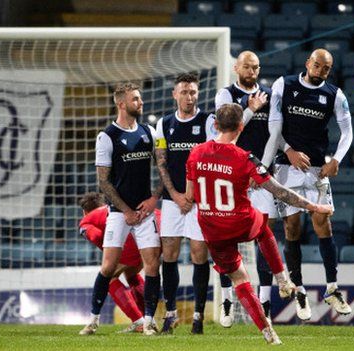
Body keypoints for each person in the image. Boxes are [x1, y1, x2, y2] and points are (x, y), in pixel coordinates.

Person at [185, 103, 333, 344]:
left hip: (212, 228)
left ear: (215, 125)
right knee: (263, 228)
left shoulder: (196, 153)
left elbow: (190, 193)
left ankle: (269, 333)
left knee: (240, 279)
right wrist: (314, 206)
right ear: (241, 127)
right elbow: (279, 191)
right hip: (241, 222)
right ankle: (283, 280)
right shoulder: (245, 158)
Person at [261, 49, 353, 320]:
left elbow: (347, 132)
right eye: (317, 65)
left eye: (326, 68)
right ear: (307, 64)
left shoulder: (335, 95)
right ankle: (299, 290)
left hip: (316, 170)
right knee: (292, 227)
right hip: (287, 166)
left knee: (323, 221)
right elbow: (273, 126)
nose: (321, 71)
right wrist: (288, 150)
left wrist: (336, 159)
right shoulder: (284, 84)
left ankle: (332, 288)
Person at [80, 82, 163, 336]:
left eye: (140, 98)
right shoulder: (107, 136)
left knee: (152, 265)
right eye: (135, 99)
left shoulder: (150, 132)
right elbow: (103, 181)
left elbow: (163, 169)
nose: (141, 102)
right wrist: (126, 210)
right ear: (121, 103)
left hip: (145, 211)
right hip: (119, 212)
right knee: (108, 267)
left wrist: (154, 199)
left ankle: (148, 321)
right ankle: (93, 320)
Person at [214, 50, 276, 325]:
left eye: (257, 67)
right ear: (237, 67)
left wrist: (261, 168)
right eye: (248, 67)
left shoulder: (269, 95)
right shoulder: (225, 95)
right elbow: (230, 131)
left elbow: (276, 133)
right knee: (227, 239)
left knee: (264, 235)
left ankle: (265, 302)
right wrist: (251, 109)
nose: (253, 72)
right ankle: (227, 299)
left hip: (259, 175)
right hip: (230, 174)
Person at [155, 73, 215, 334]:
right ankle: (170, 315)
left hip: (200, 201)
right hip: (172, 201)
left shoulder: (208, 121)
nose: (189, 97)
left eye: (193, 92)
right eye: (184, 92)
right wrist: (176, 195)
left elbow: (212, 160)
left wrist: (191, 196)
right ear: (174, 94)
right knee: (168, 255)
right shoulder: (163, 124)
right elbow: (161, 163)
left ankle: (199, 317)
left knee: (199, 254)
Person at [78, 192, 161, 333]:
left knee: (109, 276)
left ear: (84, 212)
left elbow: (96, 235)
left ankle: (138, 321)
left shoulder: (88, 220)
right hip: (156, 224)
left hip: (133, 233)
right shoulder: (111, 208)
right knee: (131, 273)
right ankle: (149, 319)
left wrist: (109, 249)